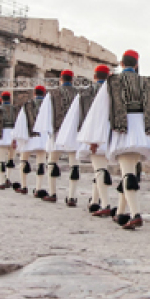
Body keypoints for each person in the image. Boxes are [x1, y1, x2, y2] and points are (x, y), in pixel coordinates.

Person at [79, 50, 150, 230]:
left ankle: (135, 214)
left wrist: (94, 139)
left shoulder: (112, 82)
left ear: (121, 64)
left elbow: (100, 111)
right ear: (136, 64)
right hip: (143, 132)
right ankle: (120, 212)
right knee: (130, 172)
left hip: (123, 131)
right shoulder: (149, 83)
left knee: (128, 174)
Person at [56, 66, 111, 213]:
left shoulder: (83, 93)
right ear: (108, 76)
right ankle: (95, 200)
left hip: (90, 133)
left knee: (96, 168)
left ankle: (97, 202)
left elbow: (76, 117)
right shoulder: (113, 92)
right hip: (108, 133)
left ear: (94, 76)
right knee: (101, 168)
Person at [37, 71, 82, 205]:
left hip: (57, 130)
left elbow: (46, 114)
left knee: (52, 162)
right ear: (72, 80)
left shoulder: (52, 94)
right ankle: (71, 197)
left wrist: (48, 130)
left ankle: (52, 193)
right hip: (73, 132)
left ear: (60, 79)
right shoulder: (79, 94)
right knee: (74, 164)